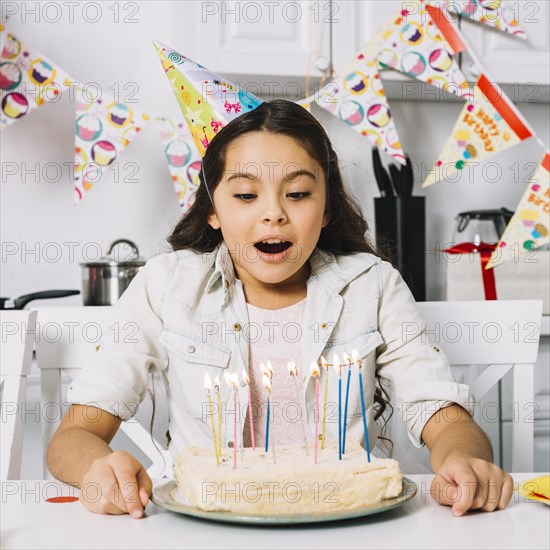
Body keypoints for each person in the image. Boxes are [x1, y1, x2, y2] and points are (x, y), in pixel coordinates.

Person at [47, 99, 513, 519]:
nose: (273, 214)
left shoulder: (371, 284)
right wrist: (99, 468)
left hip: (347, 524)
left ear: (327, 207)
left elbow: (442, 412)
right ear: (213, 210)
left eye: (297, 194)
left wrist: (463, 459)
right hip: (202, 526)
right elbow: (72, 437)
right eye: (246, 195)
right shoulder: (165, 285)